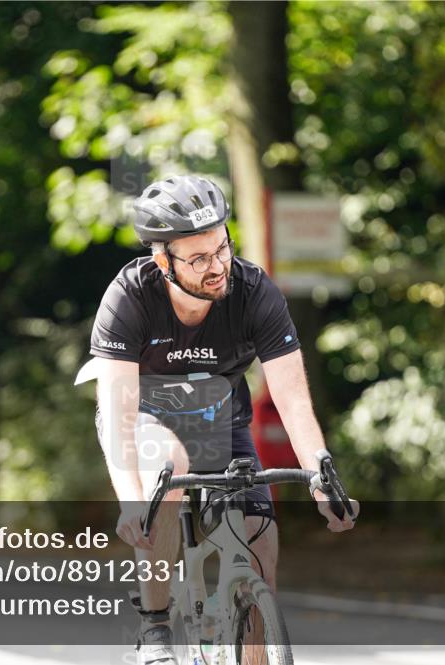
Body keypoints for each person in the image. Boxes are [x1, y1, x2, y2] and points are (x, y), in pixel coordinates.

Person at [84, 175, 356, 664]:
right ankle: (155, 628)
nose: (217, 267)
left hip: (219, 418)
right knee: (168, 466)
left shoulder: (253, 291)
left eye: (222, 249)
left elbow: (294, 401)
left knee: (260, 552)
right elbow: (120, 415)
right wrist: (131, 502)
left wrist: (320, 473)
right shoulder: (128, 297)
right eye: (199, 258)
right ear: (162, 261)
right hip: (145, 418)